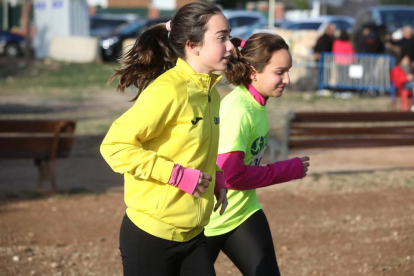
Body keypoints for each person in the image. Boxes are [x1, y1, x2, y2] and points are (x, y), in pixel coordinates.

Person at [100, 2, 232, 275]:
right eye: (222, 38)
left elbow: (189, 148)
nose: (231, 46)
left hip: (193, 234)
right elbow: (114, 146)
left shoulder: (212, 93)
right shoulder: (167, 90)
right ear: (193, 45)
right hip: (151, 235)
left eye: (229, 36)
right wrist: (178, 176)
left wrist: (215, 174)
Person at [204, 33, 310, 276]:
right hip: (207, 223)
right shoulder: (239, 110)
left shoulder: (257, 103)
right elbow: (231, 176)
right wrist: (285, 170)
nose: (288, 79)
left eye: (288, 70)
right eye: (280, 72)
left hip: (243, 212)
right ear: (253, 72)